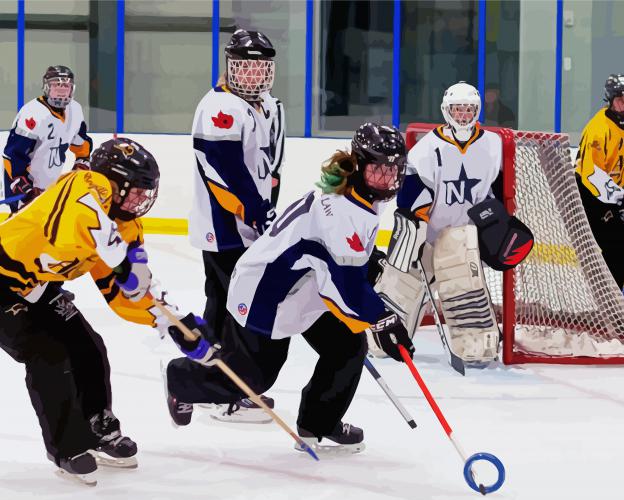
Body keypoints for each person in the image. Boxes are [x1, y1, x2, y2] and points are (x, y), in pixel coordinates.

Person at [164, 123, 415, 453]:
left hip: (305, 287)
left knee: (346, 348)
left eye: (393, 170)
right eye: (378, 169)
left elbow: (337, 257)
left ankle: (317, 425)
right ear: (359, 164)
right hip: (264, 293)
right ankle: (181, 380)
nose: (387, 178)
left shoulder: (360, 192)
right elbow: (344, 284)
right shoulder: (338, 209)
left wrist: (370, 261)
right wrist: (382, 320)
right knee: (252, 380)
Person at [0, 137, 203, 485]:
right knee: (47, 354)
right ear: (114, 181)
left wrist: (169, 321)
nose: (142, 200)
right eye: (136, 191)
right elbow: (82, 219)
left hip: (38, 287)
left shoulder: (124, 227)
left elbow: (124, 292)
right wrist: (123, 261)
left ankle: (98, 426)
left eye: (146, 192)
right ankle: (67, 447)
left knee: (88, 347)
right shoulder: (84, 185)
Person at [373, 81, 532, 368]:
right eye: (458, 110)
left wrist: (495, 222)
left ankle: (475, 345)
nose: (463, 116)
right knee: (402, 287)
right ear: (447, 111)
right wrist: (415, 220)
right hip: (426, 234)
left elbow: (497, 191)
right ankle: (380, 339)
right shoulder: (428, 147)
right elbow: (410, 189)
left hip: (462, 237)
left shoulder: (493, 145)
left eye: (468, 110)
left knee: (464, 289)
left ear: (477, 111)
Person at [188, 28, 285, 423]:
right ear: (229, 67)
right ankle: (224, 391)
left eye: (260, 66)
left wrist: (269, 210)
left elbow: (272, 170)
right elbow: (221, 173)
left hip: (251, 224)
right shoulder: (218, 108)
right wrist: (255, 212)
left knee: (222, 307)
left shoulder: (271, 107)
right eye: (244, 66)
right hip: (224, 229)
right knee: (236, 309)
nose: (253, 74)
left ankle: (198, 382)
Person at [575, 74, 624, 310]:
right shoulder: (597, 131)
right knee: (614, 243)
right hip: (590, 194)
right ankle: (612, 303)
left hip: (616, 190)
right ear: (610, 100)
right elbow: (592, 176)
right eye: (621, 99)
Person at [3, 65, 92, 212]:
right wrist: (23, 185)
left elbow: (81, 143)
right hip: (26, 186)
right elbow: (13, 155)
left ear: (72, 89)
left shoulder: (75, 110)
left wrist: (82, 161)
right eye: (56, 85)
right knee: (22, 228)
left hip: (50, 185)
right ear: (47, 87)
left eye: (66, 86)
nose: (62, 90)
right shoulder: (32, 113)